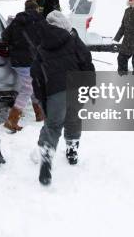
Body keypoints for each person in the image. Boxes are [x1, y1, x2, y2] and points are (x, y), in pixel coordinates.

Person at [31, 10, 95, 186]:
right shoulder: (73, 38)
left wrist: (41, 98)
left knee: (52, 125)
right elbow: (86, 61)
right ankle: (72, 151)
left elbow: (36, 74)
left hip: (55, 90)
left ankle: (46, 153)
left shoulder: (42, 45)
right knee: (74, 118)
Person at [1, 0, 46, 132]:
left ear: (25, 8)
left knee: (33, 85)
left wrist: (16, 43)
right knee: (28, 88)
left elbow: (5, 36)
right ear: (37, 9)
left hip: (17, 61)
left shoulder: (17, 21)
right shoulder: (40, 21)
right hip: (32, 59)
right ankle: (12, 120)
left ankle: (40, 114)